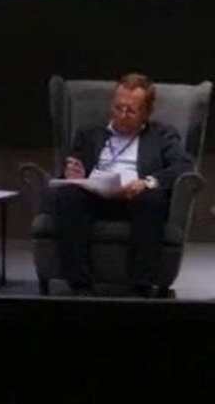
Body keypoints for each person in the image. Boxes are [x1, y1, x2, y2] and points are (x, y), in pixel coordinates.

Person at [53, 73, 193, 296]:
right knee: (68, 196)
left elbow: (184, 166)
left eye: (131, 110)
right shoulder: (89, 133)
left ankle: (140, 285)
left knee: (151, 199)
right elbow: (73, 164)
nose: (122, 115)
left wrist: (147, 182)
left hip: (135, 199)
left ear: (146, 113)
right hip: (95, 197)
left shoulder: (162, 135)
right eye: (118, 107)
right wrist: (73, 173)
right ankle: (79, 284)